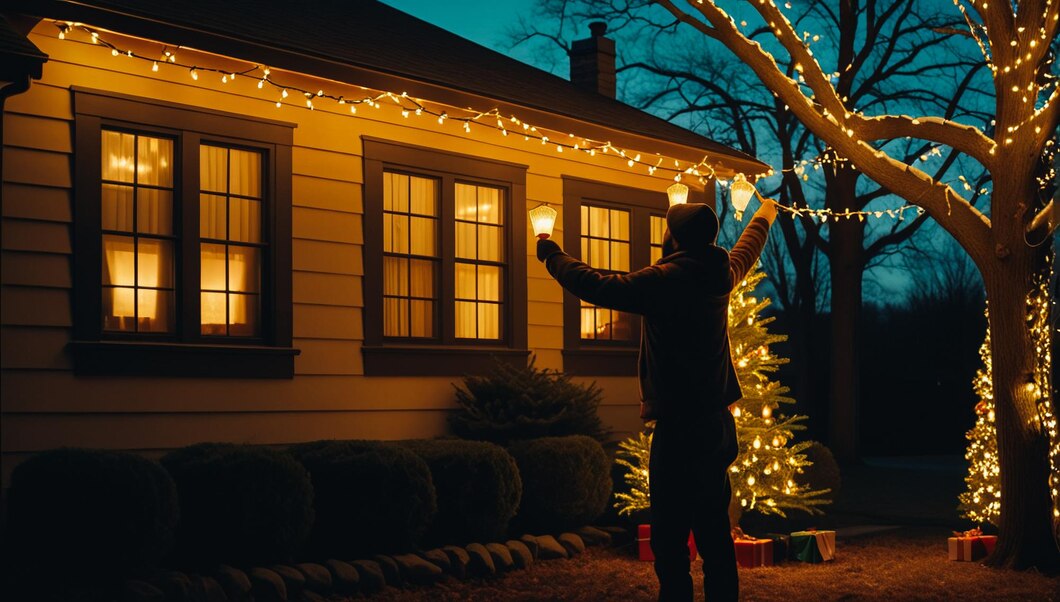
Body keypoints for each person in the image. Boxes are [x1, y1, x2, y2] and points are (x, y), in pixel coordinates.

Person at [536, 196, 777, 601]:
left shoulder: (663, 281)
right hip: (717, 426)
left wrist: (550, 251)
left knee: (669, 540)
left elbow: (594, 285)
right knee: (715, 536)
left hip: (678, 429)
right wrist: (765, 214)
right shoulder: (721, 273)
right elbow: (747, 247)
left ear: (675, 238)